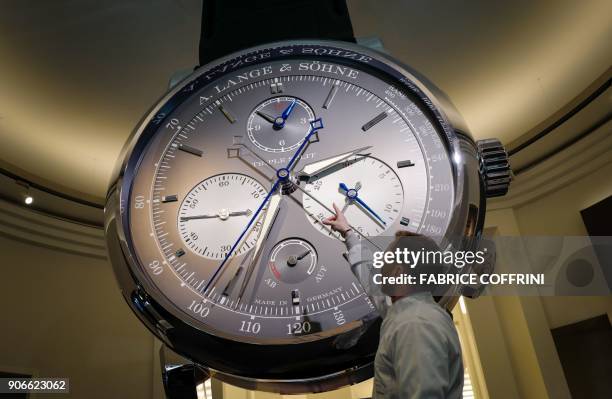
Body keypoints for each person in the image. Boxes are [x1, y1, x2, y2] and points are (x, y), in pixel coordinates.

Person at [323, 204, 464, 399]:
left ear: (398, 272)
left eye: (386, 260)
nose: (380, 268)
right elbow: (369, 278)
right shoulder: (405, 310)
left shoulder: (416, 324)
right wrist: (348, 233)